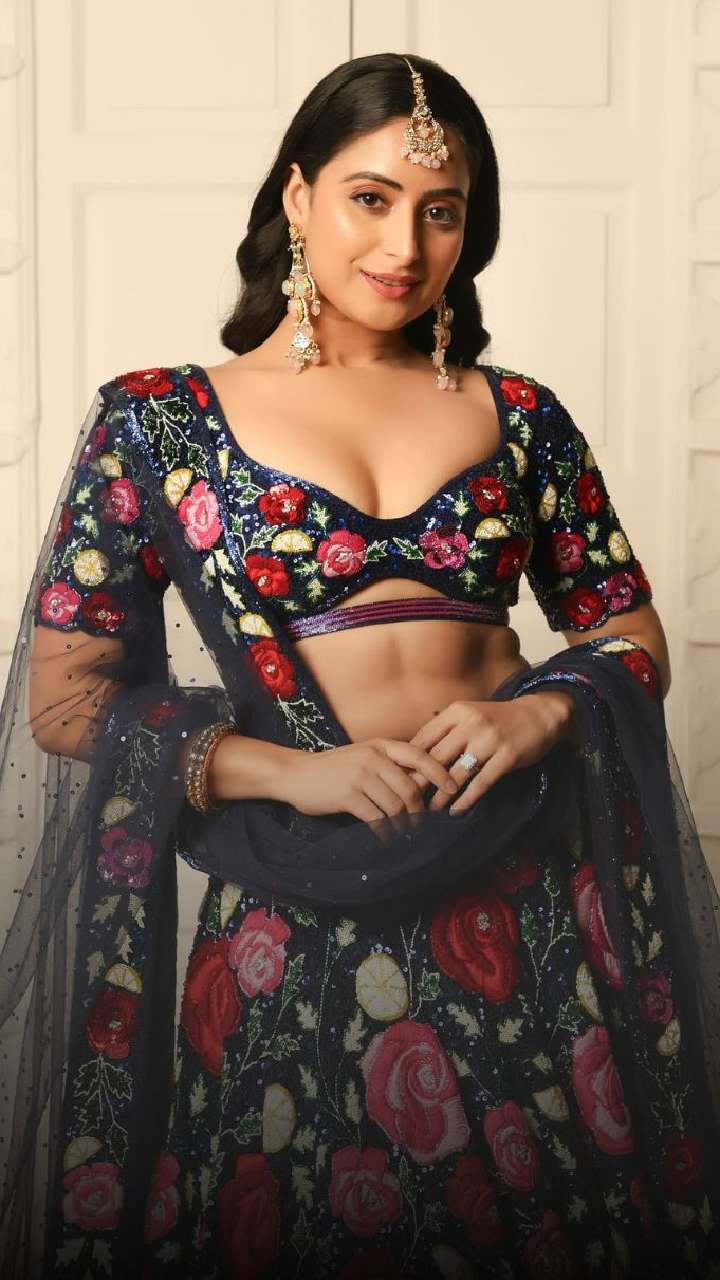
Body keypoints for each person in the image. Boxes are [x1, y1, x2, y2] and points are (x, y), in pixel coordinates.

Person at [1, 51, 719, 1280]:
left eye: (442, 211)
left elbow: (628, 634)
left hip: (526, 913)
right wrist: (290, 770)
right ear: (298, 195)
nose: (404, 244)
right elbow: (66, 699)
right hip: (290, 926)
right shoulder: (158, 422)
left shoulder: (523, 417)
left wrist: (544, 714)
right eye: (370, 198)